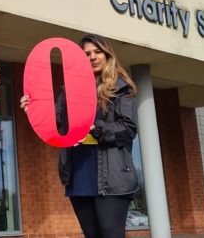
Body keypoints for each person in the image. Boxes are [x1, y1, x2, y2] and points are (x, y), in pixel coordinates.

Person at [21, 34, 139, 238]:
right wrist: (33, 109)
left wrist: (96, 128)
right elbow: (56, 123)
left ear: (107, 55)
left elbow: (128, 129)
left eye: (97, 52)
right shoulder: (69, 90)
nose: (92, 57)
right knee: (91, 235)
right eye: (87, 54)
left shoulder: (121, 88)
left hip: (112, 175)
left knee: (110, 233)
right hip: (80, 172)